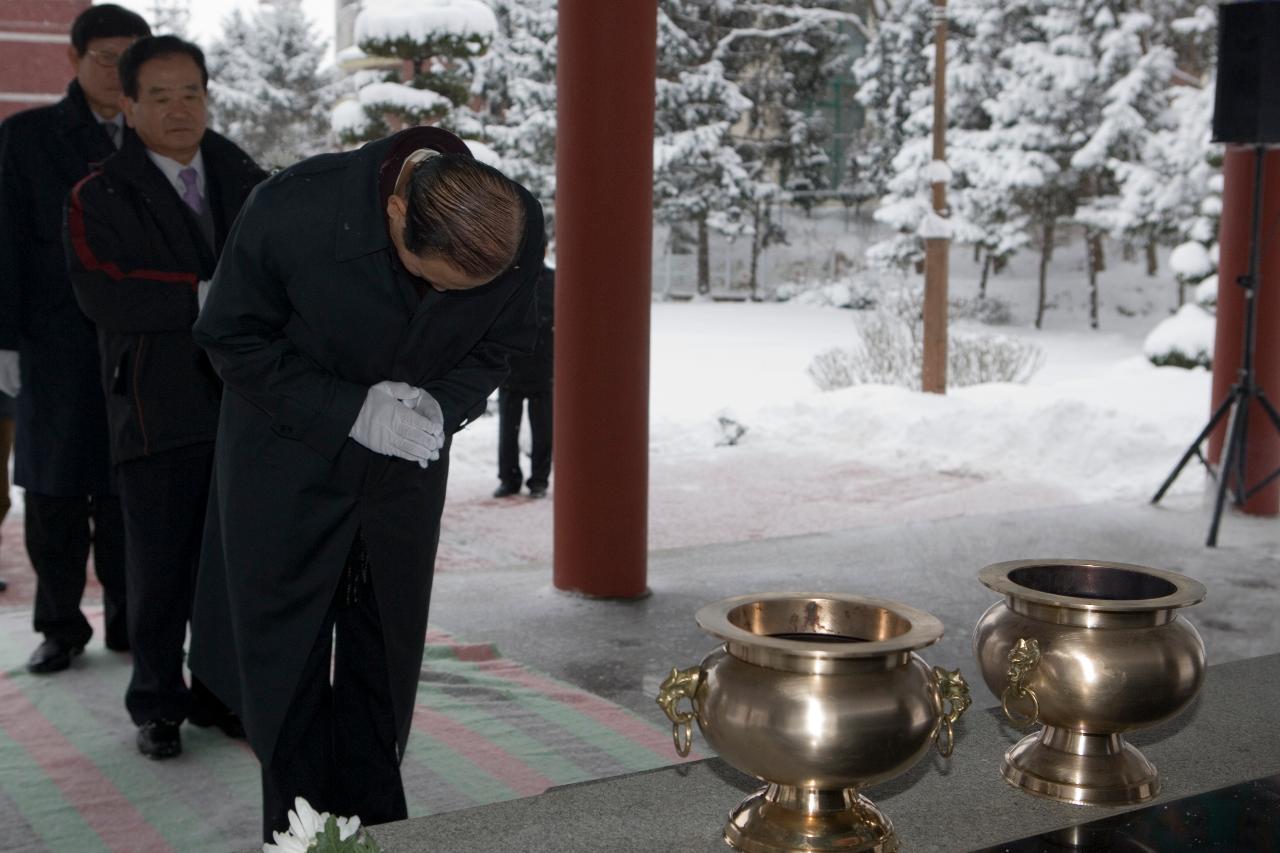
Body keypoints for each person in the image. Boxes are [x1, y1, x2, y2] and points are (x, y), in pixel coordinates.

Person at [187, 125, 545, 840]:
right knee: (286, 674)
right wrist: (350, 409)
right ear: (394, 214)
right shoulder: (291, 210)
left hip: (401, 473)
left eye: (459, 292)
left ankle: (383, 831)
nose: (441, 296)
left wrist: (442, 404)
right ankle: (298, 835)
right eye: (431, 277)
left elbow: (505, 342)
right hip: (285, 464)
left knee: (383, 666)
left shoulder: (511, 224)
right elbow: (228, 336)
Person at [64, 35, 265, 760]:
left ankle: (222, 693)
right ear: (127, 103)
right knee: (159, 569)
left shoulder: (246, 175)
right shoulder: (100, 192)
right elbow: (103, 291)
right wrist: (203, 295)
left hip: (247, 408)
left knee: (234, 567)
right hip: (155, 408)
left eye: (193, 93)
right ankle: (157, 701)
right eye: (161, 95)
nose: (181, 110)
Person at [0, 4, 150, 674]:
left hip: (137, 342)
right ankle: (60, 625)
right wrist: (4, 338)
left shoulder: (156, 131)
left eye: (130, 57)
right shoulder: (27, 137)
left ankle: (128, 618)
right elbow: (3, 242)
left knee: (128, 487)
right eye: (104, 56)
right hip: (53, 340)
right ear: (73, 59)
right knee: (56, 492)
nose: (117, 71)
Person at [494, 261, 554, 498]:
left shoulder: (553, 280)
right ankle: (509, 479)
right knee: (508, 430)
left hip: (543, 366)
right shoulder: (508, 278)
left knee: (543, 429)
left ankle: (539, 480)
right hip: (512, 367)